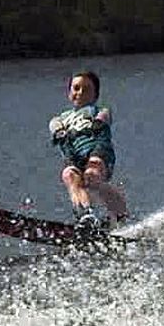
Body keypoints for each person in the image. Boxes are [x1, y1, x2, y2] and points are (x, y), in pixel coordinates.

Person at [49, 71, 128, 229]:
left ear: (95, 95)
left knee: (92, 176)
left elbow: (105, 117)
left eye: (86, 89)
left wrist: (98, 122)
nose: (80, 92)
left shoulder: (99, 110)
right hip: (73, 154)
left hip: (97, 149)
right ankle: (86, 214)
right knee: (69, 176)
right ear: (69, 93)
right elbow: (54, 126)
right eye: (76, 88)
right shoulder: (61, 118)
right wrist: (59, 132)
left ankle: (120, 214)